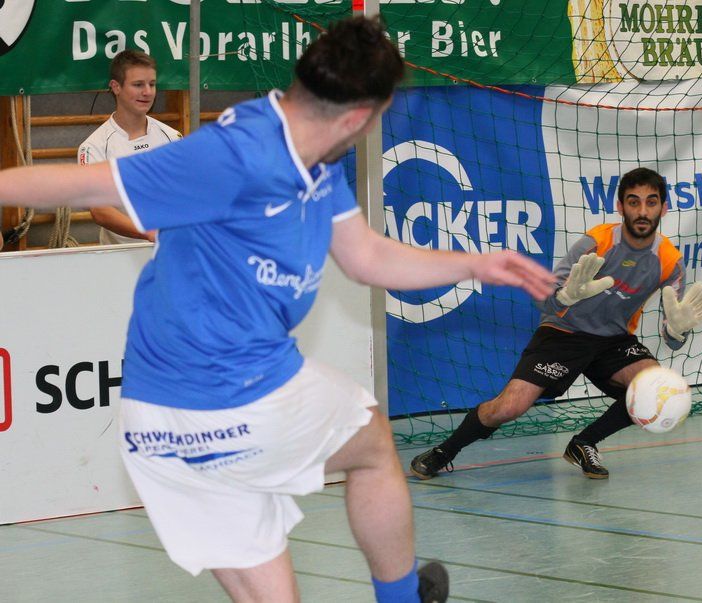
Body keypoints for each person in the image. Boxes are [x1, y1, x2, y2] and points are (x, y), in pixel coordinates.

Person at [0, 17, 556, 603]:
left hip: (258, 381)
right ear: (355, 118)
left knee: (370, 439)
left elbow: (366, 256)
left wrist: (474, 263)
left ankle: (399, 596)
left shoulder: (312, 155)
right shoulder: (234, 154)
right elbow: (78, 186)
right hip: (199, 410)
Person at [410, 167, 702, 481]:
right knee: (509, 407)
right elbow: (545, 298)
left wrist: (677, 330)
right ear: (620, 206)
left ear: (663, 208)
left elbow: (673, 339)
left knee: (655, 386)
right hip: (563, 332)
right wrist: (565, 296)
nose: (642, 211)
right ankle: (444, 451)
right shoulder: (597, 241)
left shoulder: (669, 260)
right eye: (633, 202)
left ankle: (584, 443)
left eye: (651, 202)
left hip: (613, 340)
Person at [79, 49, 181, 245]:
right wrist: (148, 233)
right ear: (116, 87)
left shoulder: (171, 137)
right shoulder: (94, 147)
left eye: (152, 84)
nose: (147, 92)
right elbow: (100, 210)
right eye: (138, 84)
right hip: (119, 258)